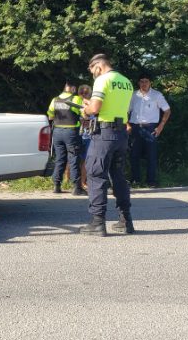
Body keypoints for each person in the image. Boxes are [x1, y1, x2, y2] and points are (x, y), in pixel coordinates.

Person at [80, 54, 135, 236]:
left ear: (98, 66)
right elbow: (117, 106)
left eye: (92, 70)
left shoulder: (103, 80)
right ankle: (126, 222)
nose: (93, 74)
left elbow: (95, 109)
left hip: (104, 134)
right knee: (118, 176)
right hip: (121, 135)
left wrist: (86, 109)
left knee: (96, 174)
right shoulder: (126, 82)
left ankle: (97, 223)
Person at [128, 73, 171, 188]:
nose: (144, 84)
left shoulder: (157, 95)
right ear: (138, 83)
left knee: (151, 155)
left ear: (150, 82)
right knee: (134, 155)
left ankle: (151, 181)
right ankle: (135, 180)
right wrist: (127, 125)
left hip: (150, 128)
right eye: (141, 81)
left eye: (146, 81)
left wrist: (161, 126)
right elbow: (126, 111)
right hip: (135, 127)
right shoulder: (133, 95)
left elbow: (167, 111)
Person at [47, 80, 87, 196]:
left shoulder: (55, 100)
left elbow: (50, 116)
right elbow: (84, 114)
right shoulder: (76, 99)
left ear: (65, 87)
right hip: (71, 133)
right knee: (73, 158)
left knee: (60, 158)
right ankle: (77, 188)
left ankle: (56, 185)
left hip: (57, 132)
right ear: (73, 88)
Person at [77, 84, 93, 191]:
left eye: (86, 93)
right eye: (81, 93)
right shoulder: (75, 103)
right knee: (73, 159)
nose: (83, 95)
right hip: (77, 135)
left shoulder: (92, 104)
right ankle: (68, 180)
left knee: (85, 160)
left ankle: (83, 182)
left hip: (89, 135)